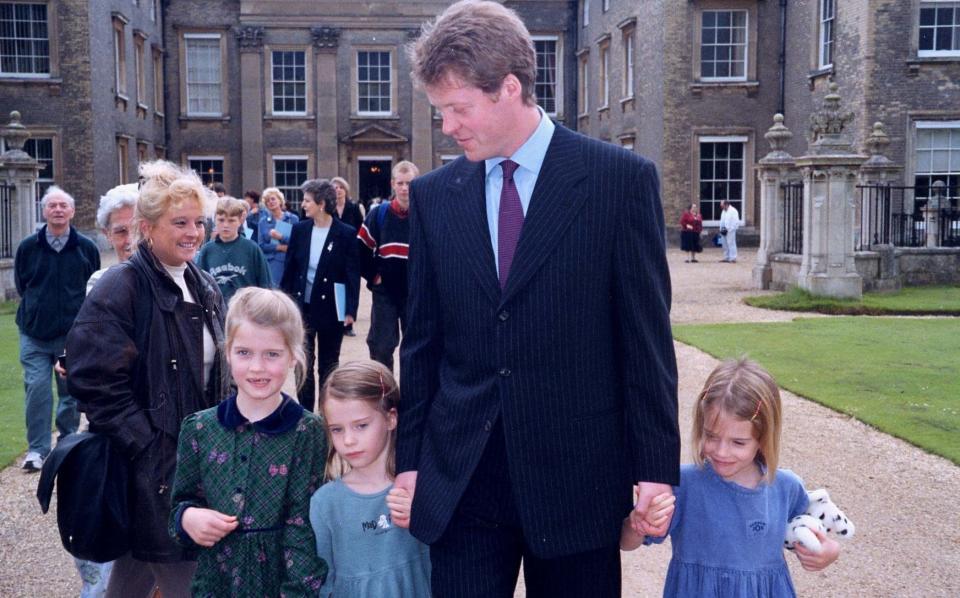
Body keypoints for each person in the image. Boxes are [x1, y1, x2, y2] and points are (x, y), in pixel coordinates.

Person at [395, 2, 679, 595]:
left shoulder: (618, 181)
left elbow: (645, 341)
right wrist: (412, 462)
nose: (448, 126)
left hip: (578, 476)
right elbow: (421, 343)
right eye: (441, 110)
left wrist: (654, 469)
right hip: (463, 476)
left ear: (510, 88)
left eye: (458, 108)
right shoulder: (433, 197)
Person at [66, 160, 229, 598]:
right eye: (180, 222)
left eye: (198, 222)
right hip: (152, 470)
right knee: (190, 581)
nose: (193, 232)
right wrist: (146, 442)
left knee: (131, 578)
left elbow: (218, 374)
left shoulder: (206, 284)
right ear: (147, 228)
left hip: (196, 460)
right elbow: (91, 380)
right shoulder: (121, 287)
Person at [621, 358, 841, 596]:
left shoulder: (786, 487)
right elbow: (626, 542)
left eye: (738, 442)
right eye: (711, 436)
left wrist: (830, 552)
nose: (721, 451)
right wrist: (638, 523)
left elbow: (818, 532)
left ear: (763, 438)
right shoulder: (684, 486)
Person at [168, 287, 328, 596]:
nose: (257, 367)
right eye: (244, 353)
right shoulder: (199, 428)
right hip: (215, 584)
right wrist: (188, 518)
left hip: (278, 584)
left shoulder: (308, 433)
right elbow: (180, 503)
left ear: (294, 355)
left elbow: (303, 528)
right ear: (227, 351)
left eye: (272, 354)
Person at [309, 360, 431, 597]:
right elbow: (324, 581)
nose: (349, 440)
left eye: (361, 425)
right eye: (337, 429)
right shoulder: (325, 503)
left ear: (390, 418)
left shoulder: (419, 487)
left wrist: (423, 514)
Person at [15, 186, 100, 471]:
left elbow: (94, 287)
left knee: (70, 393)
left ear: (72, 211)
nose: (58, 210)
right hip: (35, 333)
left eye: (64, 205)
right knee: (37, 389)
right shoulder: (28, 247)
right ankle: (38, 450)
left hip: (72, 336)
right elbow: (21, 284)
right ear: (44, 211)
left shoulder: (86, 247)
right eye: (52, 205)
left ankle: (67, 443)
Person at [280, 179, 360, 413]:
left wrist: (350, 310)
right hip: (302, 308)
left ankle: (327, 413)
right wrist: (284, 302)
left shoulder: (346, 234)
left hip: (332, 308)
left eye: (307, 200)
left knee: (329, 364)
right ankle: (305, 415)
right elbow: (290, 268)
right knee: (303, 363)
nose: (303, 205)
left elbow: (352, 274)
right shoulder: (300, 230)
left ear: (322, 203)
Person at [357, 160, 419, 372]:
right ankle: (385, 397)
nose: (404, 188)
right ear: (393, 184)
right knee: (381, 346)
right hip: (386, 292)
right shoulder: (379, 214)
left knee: (416, 348)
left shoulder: (425, 214)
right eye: (400, 183)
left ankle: (413, 399)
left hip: (416, 292)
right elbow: (361, 249)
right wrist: (374, 276)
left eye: (409, 183)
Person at [196, 197, 272, 302]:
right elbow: (199, 286)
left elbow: (266, 285)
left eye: (231, 220)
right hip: (217, 311)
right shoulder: (207, 251)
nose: (226, 225)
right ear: (215, 220)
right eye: (221, 220)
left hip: (246, 310)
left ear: (240, 221)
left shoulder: (251, 249)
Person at [332, 177, 364, 337]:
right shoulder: (328, 209)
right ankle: (338, 320)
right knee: (336, 286)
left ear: (345, 190)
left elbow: (360, 228)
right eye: (335, 187)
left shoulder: (353, 208)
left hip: (351, 253)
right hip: (333, 253)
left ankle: (349, 322)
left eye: (340, 187)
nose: (337, 190)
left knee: (351, 286)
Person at [257, 186, 299, 286]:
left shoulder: (293, 219)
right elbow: (261, 245)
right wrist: (279, 247)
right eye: (267, 201)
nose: (270, 202)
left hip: (290, 261)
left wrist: (281, 237)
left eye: (273, 199)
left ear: (280, 201)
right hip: (272, 263)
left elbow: (298, 241)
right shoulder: (263, 222)